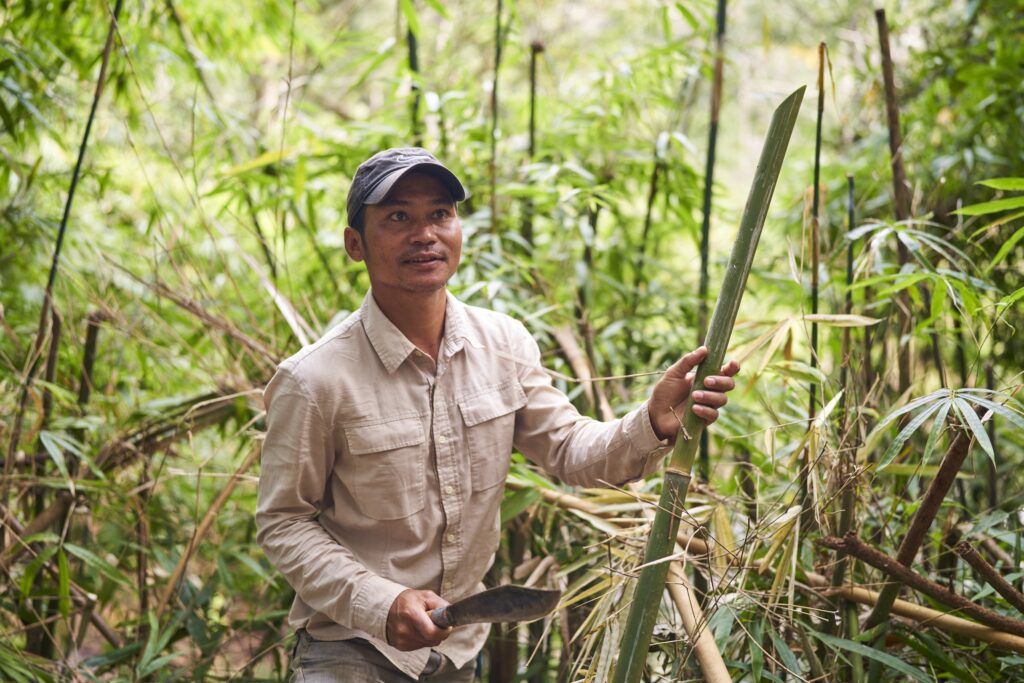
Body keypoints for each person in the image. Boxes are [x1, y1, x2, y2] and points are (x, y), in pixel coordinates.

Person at [256, 147, 740, 682]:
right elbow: (284, 522)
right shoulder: (314, 379)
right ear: (355, 244)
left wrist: (651, 423)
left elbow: (568, 449)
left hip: (457, 653)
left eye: (440, 214)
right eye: (398, 217)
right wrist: (382, 602)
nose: (425, 233)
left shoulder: (503, 344)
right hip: (352, 651)